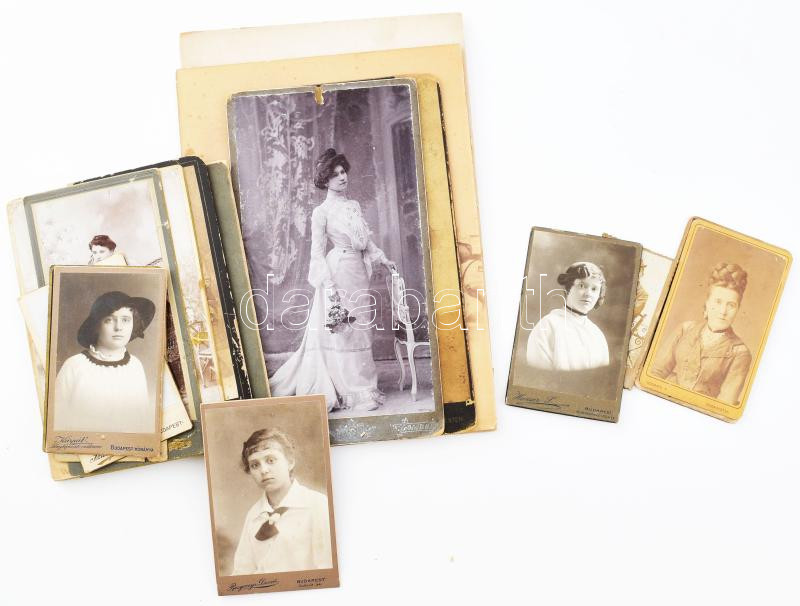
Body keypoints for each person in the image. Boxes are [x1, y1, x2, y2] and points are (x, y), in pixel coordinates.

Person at [269, 148, 397, 412]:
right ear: (325, 181)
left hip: (358, 272)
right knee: (344, 330)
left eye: (343, 172)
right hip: (337, 273)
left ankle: (365, 386)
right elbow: (316, 253)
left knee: (361, 327)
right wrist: (328, 285)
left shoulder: (353, 206)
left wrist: (383, 259)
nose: (342, 177)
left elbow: (365, 241)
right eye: (335, 174)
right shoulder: (321, 212)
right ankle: (352, 390)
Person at [232, 429, 332, 575]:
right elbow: (242, 572)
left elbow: (326, 569)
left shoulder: (317, 505)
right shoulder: (253, 515)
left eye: (270, 460)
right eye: (255, 465)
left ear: (290, 462)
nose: (263, 470)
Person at [53, 291, 155, 433]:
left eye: (125, 320)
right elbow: (58, 421)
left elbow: (142, 421)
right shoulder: (74, 366)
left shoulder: (135, 366)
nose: (118, 327)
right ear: (96, 326)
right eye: (109, 320)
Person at [651, 262, 752, 404]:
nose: (723, 311)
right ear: (707, 303)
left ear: (738, 309)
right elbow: (655, 373)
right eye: (718, 302)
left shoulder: (740, 353)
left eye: (731, 305)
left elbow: (724, 405)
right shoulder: (685, 329)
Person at [526, 261, 610, 371]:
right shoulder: (548, 326)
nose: (588, 294)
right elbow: (538, 374)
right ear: (568, 288)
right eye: (581, 285)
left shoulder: (597, 334)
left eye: (594, 289)